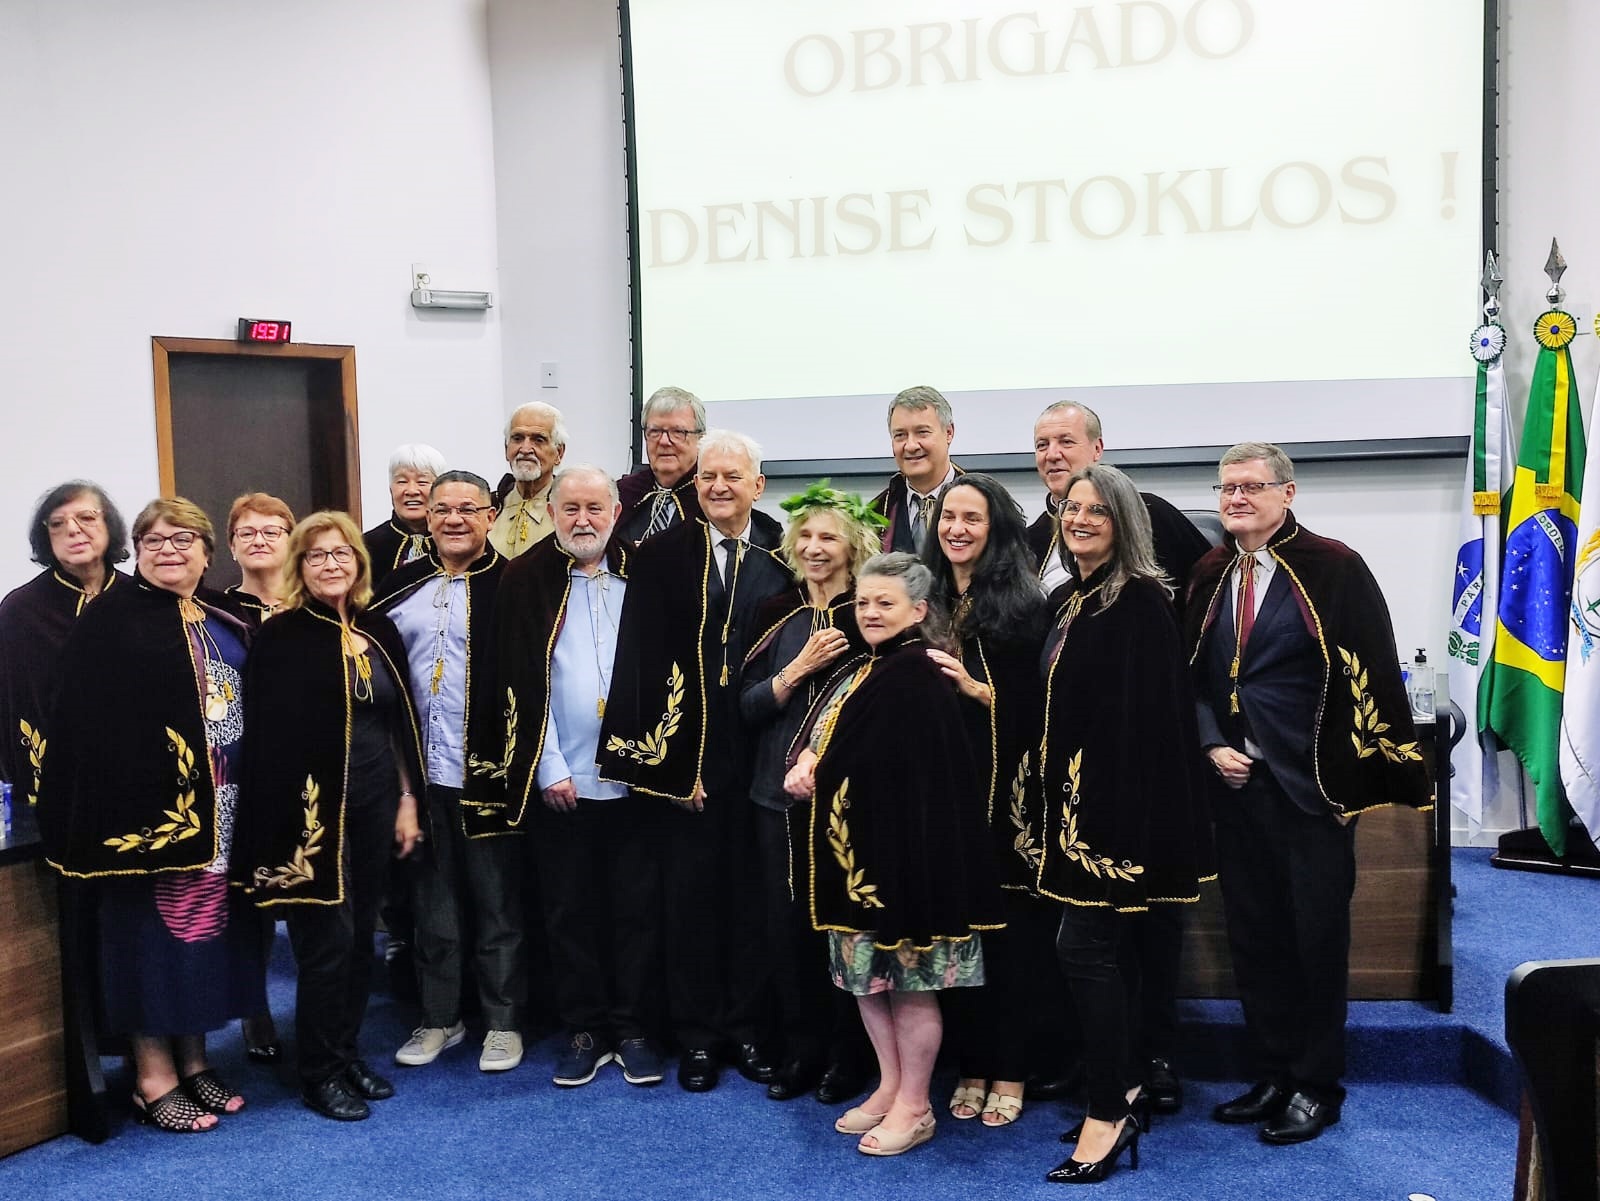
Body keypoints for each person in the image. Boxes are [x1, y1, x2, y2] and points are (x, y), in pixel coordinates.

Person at [1185, 442, 1429, 1145]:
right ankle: (1272, 1072)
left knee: (1315, 942)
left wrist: (1355, 779)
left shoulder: (1334, 567)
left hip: (1313, 790)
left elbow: (1368, 671)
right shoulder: (1209, 572)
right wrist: (1211, 742)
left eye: (1251, 486)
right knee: (1255, 938)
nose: (1236, 498)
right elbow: (1192, 675)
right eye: (1227, 487)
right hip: (1237, 788)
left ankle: (1317, 1085)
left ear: (1287, 493)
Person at [39, 497, 265, 1133]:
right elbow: (82, 724)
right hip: (146, 823)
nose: (169, 550)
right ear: (136, 551)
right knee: (148, 941)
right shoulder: (110, 621)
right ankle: (152, 1075)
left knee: (202, 938)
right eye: (154, 541)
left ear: (207, 553)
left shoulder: (221, 617)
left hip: (222, 813)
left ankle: (193, 1060)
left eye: (183, 539)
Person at [783, 552, 1003, 1157]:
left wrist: (817, 769)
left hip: (904, 863)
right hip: (859, 859)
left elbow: (897, 770)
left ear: (919, 610)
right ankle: (889, 1085)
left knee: (908, 987)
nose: (871, 612)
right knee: (867, 983)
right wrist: (810, 758)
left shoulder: (916, 672)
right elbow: (836, 738)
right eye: (863, 602)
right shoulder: (869, 665)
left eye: (886, 602)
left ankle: (915, 1103)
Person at [1026, 400, 1212, 1112]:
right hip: (1076, 798)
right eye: (1041, 443)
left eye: (1064, 441)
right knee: (1089, 949)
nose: (1079, 518)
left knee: (1127, 939)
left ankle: (1139, 1071)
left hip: (1126, 804)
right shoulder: (1061, 574)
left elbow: (1151, 711)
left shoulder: (1141, 587)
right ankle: (1107, 1068)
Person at [598, 429, 788, 1092]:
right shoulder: (660, 556)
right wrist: (673, 770)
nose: (718, 486)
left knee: (752, 902)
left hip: (761, 763)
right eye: (708, 476)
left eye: (732, 476)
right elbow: (640, 665)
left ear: (758, 485)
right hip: (692, 767)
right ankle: (699, 1037)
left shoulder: (783, 554)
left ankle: (748, 1028)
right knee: (690, 905)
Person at [467, 465, 668, 1090]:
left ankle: (632, 1028)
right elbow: (516, 679)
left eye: (595, 508)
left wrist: (658, 762)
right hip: (562, 780)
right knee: (568, 911)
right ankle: (584, 1028)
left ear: (616, 512)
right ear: (553, 513)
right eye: (571, 508)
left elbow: (670, 667)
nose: (584, 520)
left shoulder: (647, 573)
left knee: (636, 909)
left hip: (637, 776)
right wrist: (548, 766)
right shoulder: (526, 578)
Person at [236, 512, 424, 1119]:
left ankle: (345, 1055)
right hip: (311, 815)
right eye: (316, 556)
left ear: (359, 563)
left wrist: (406, 799)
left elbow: (398, 726)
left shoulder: (378, 628)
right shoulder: (282, 637)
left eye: (341, 553)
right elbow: (267, 744)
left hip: (375, 802)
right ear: (300, 566)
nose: (331, 564)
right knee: (326, 943)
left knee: (362, 935)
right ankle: (318, 1072)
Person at [374, 471, 524, 1073]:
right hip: (419, 775)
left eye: (468, 508)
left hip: (490, 772)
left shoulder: (515, 584)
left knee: (497, 905)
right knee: (432, 906)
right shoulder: (398, 586)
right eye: (442, 509)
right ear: (427, 518)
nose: (454, 519)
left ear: (491, 516)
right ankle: (440, 1017)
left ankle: (503, 1022)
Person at [920, 474, 1051, 1129]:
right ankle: (971, 1063)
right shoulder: (924, 599)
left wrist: (978, 691)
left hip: (1007, 799)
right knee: (956, 937)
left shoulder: (1026, 604)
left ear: (995, 529)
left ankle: (1012, 1066)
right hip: (940, 795)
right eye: (949, 517)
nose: (957, 529)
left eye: (972, 518)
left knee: (1011, 943)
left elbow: (1046, 707)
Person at [740, 481, 878, 1103]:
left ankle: (850, 1055)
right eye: (807, 537)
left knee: (845, 928)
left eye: (830, 537)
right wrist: (797, 671)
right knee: (784, 925)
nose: (816, 548)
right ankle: (801, 1049)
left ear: (853, 547)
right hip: (774, 796)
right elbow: (745, 707)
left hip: (848, 802)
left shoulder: (869, 613)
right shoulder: (779, 611)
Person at [0, 481, 129, 805]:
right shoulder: (21, 610)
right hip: (51, 788)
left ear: (108, 524)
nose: (72, 530)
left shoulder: (141, 599)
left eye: (86, 517)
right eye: (57, 523)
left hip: (134, 781)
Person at [870, 386, 963, 553]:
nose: (911, 446)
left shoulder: (986, 506)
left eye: (922, 432)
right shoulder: (876, 515)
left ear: (949, 433)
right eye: (900, 435)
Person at [614, 386, 706, 545]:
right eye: (655, 431)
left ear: (700, 439)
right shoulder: (621, 494)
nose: (664, 441)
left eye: (678, 432)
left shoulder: (712, 496)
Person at [364, 444, 447, 592]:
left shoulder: (456, 542)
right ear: (391, 490)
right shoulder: (366, 546)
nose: (411, 491)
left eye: (422, 482)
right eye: (402, 482)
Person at [490, 402, 567, 559]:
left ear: (559, 453)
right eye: (517, 438)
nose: (525, 449)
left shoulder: (570, 511)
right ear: (506, 449)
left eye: (538, 440)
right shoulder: (488, 506)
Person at [220, 493, 296, 624]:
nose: (259, 541)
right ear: (232, 547)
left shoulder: (311, 608)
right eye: (247, 534)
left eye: (270, 533)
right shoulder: (217, 612)